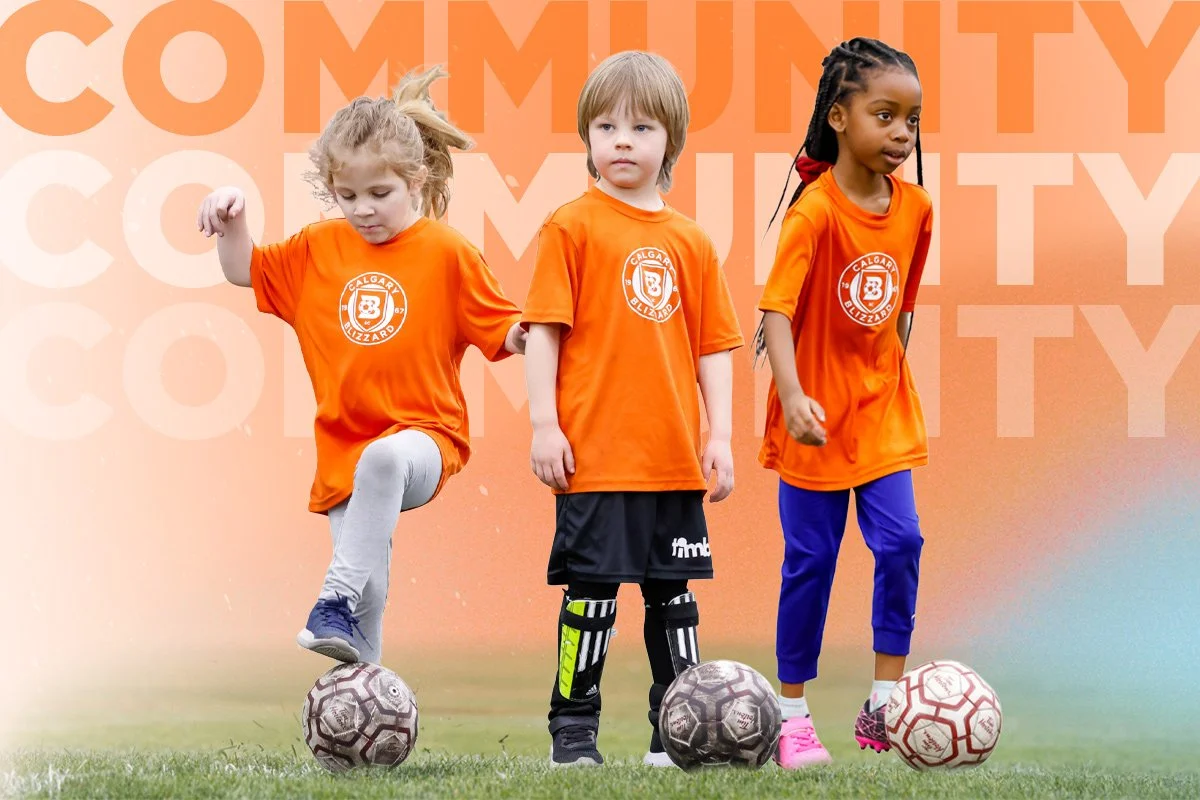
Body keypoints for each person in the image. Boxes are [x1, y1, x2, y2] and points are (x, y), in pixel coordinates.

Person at [195, 66, 526, 667]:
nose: (363, 210)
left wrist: (535, 334)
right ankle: (363, 718)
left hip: (426, 440)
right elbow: (243, 269)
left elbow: (505, 330)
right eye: (348, 197)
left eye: (380, 195)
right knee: (362, 609)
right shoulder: (316, 249)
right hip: (342, 452)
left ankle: (332, 595)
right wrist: (231, 219)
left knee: (382, 466)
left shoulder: (448, 253)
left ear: (415, 180)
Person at [522, 50, 745, 768]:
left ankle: (674, 733)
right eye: (606, 125)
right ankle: (573, 732)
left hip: (673, 459)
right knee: (590, 596)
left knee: (672, 598)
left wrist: (721, 436)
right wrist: (544, 424)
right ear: (586, 138)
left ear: (669, 143)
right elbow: (544, 334)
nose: (622, 139)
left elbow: (714, 347)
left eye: (642, 127)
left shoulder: (692, 242)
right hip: (594, 456)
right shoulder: (571, 227)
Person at [753, 36, 934, 768]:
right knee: (811, 560)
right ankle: (792, 714)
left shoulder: (917, 208)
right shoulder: (815, 214)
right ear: (838, 117)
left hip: (882, 413)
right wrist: (793, 396)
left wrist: (887, 379)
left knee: (903, 543)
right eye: (885, 115)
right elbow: (776, 313)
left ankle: (885, 702)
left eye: (912, 121)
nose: (901, 134)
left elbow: (903, 308)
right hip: (813, 418)